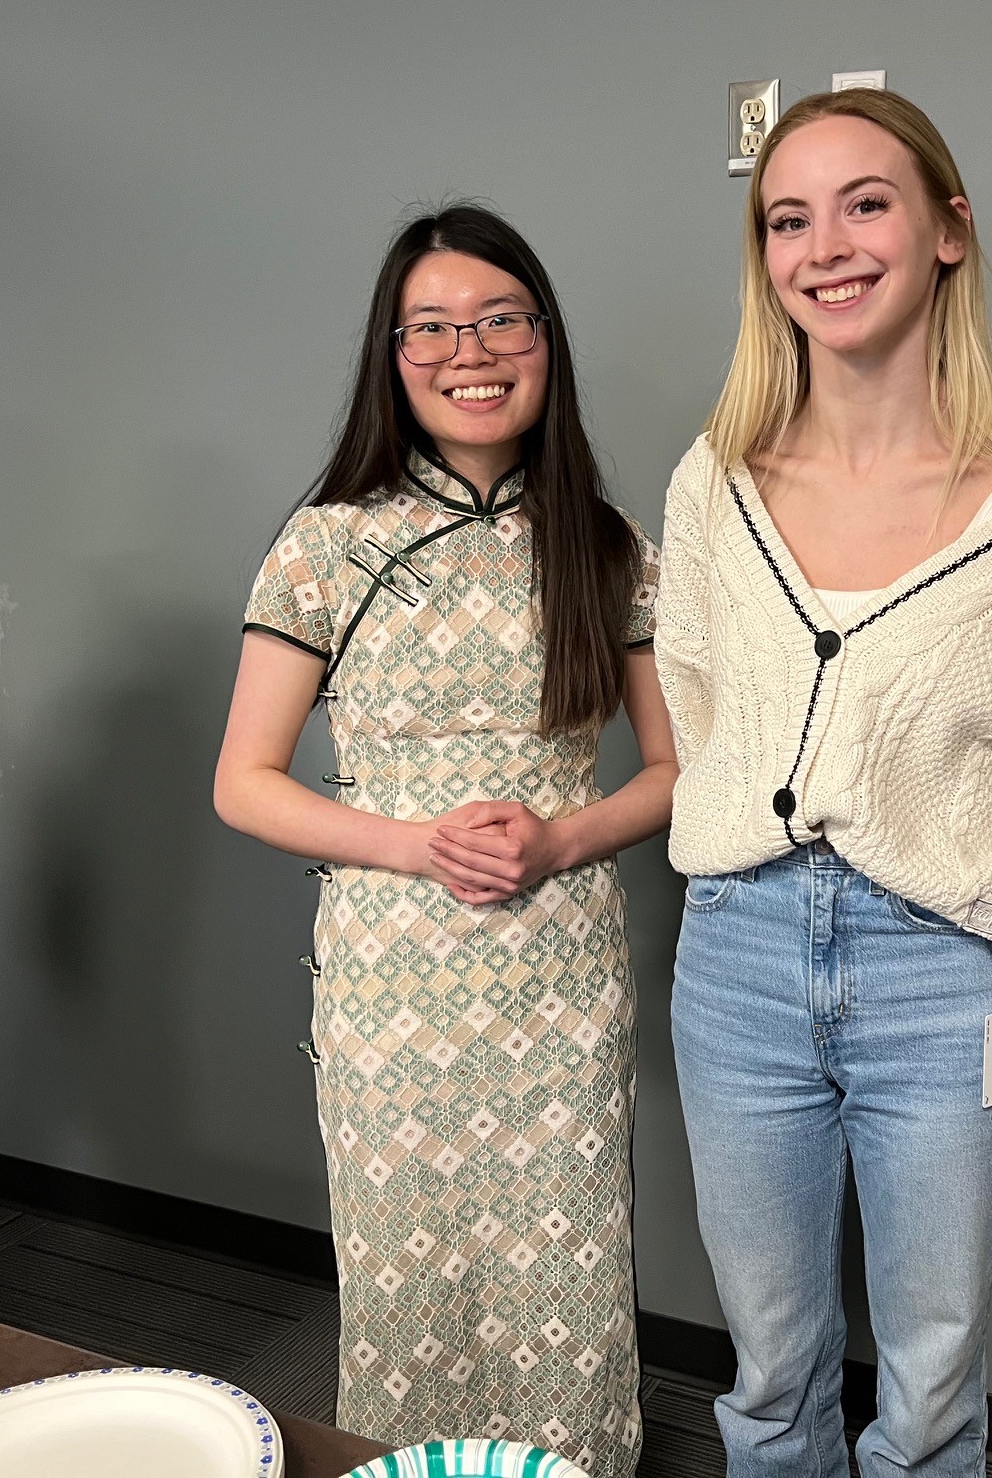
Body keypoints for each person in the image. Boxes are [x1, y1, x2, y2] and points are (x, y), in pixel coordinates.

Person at [653, 89, 992, 1476]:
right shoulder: (719, 483)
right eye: (787, 218)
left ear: (948, 228)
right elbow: (698, 704)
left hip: (949, 975)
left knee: (932, 1374)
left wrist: (976, 899)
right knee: (770, 1366)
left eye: (866, 202)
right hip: (739, 957)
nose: (827, 245)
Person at [215, 205, 673, 1474]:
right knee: (406, 1286)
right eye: (431, 325)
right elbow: (245, 783)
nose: (468, 349)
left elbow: (682, 776)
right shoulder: (329, 544)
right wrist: (417, 844)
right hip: (392, 979)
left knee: (567, 1289)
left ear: (545, 340)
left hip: (561, 977)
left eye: (499, 318)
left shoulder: (608, 542)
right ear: (392, 352)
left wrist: (564, 838)